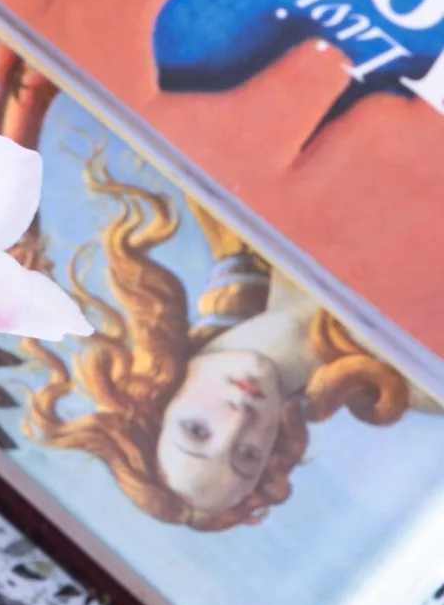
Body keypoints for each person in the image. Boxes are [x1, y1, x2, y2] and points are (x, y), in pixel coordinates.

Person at [23, 160, 418, 529]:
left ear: (160, 394)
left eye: (196, 430)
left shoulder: (230, 204)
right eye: (247, 455)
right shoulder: (409, 380)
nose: (240, 418)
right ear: (274, 447)